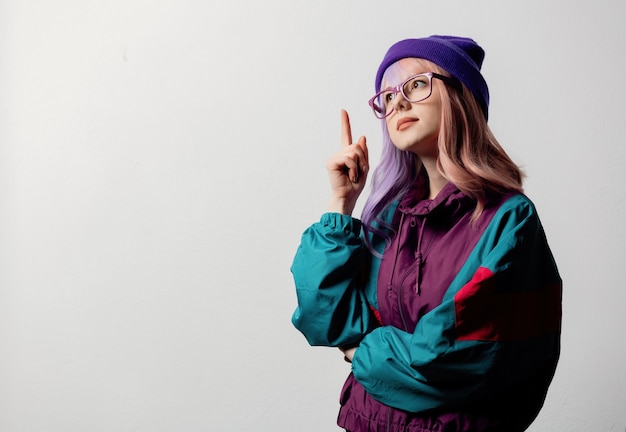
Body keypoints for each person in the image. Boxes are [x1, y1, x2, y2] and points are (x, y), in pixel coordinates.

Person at [290, 35, 562, 432]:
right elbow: (323, 318)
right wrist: (342, 203)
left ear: (459, 96)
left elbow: (452, 357)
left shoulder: (508, 220)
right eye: (387, 95)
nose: (397, 102)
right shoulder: (389, 219)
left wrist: (361, 349)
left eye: (416, 84)